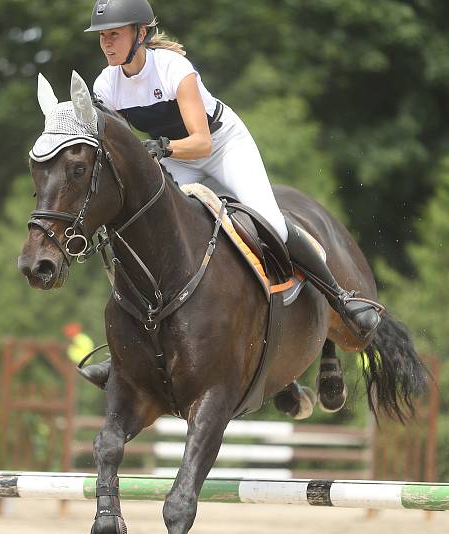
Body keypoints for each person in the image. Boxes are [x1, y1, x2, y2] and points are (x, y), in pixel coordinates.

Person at [78, 0, 382, 389]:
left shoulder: (174, 69)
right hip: (174, 154)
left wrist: (163, 149)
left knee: (269, 221)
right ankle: (126, 351)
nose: (106, 43)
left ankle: (342, 300)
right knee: (151, 233)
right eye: (103, 36)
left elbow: (201, 141)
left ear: (141, 34)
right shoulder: (105, 84)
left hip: (220, 146)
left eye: (114, 34)